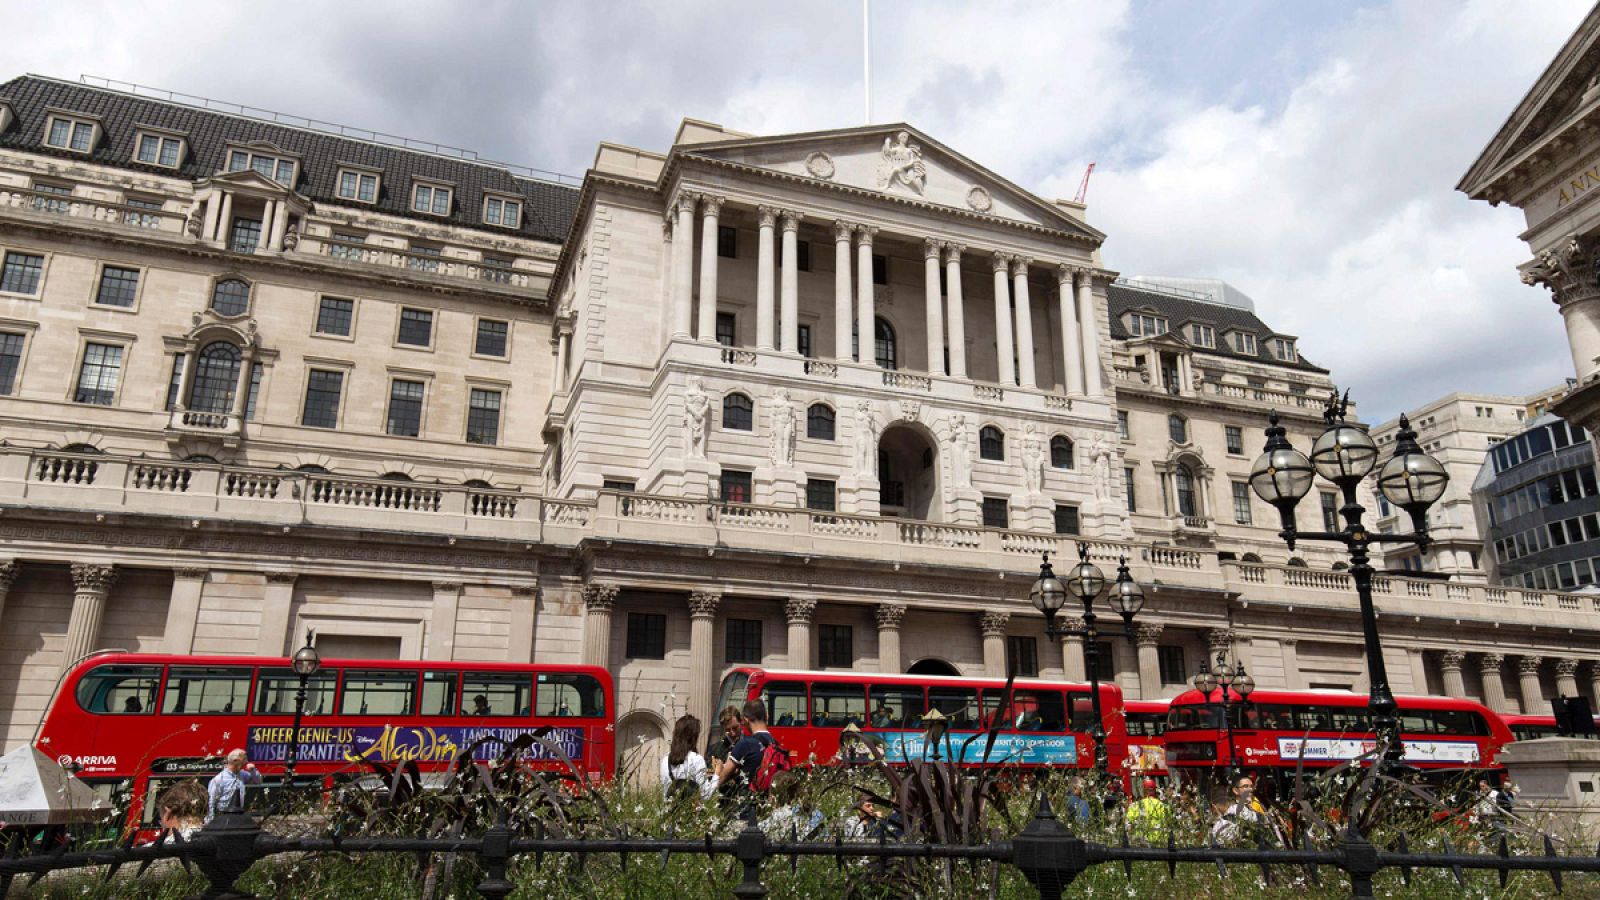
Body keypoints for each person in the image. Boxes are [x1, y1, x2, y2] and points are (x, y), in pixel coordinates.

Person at [716, 700, 781, 793]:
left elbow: (720, 780)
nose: (732, 733)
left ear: (745, 720)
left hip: (748, 803)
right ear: (767, 717)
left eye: (735, 728)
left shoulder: (745, 743)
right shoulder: (775, 744)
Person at [1210, 775, 1282, 845]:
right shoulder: (1235, 810)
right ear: (1235, 791)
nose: (1250, 789)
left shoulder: (1257, 807)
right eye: (1245, 786)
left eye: (1251, 786)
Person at [660, 714, 716, 802]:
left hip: (669, 813)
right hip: (689, 814)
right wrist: (717, 775)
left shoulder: (665, 759)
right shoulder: (696, 759)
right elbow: (706, 795)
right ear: (693, 737)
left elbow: (664, 792)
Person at [206, 749, 261, 822]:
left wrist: (253, 770)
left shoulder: (242, 774)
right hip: (222, 818)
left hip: (237, 816)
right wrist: (210, 823)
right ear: (235, 761)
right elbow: (211, 802)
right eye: (244, 760)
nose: (246, 762)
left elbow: (258, 781)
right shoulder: (219, 779)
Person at [1124, 778, 1171, 843]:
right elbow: (1169, 825)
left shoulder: (1135, 806)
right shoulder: (1165, 807)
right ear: (1155, 790)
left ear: (1143, 790)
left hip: (1141, 843)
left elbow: (1128, 825)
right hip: (1160, 843)